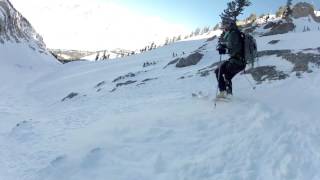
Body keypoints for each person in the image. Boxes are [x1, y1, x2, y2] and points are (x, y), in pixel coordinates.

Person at [215, 20, 246, 98]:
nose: (224, 28)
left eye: (225, 26)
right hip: (241, 63)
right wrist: (224, 46)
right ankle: (229, 95)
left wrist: (223, 48)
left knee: (218, 71)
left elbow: (231, 47)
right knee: (227, 76)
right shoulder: (236, 33)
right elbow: (233, 46)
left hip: (236, 61)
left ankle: (223, 92)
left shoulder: (233, 34)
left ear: (229, 25)